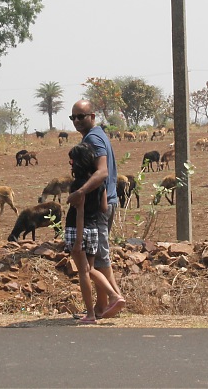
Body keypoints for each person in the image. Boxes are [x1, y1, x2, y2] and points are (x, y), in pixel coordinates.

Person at [67, 99, 125, 318]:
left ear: (93, 116)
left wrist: (80, 192)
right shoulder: (97, 135)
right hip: (105, 202)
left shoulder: (93, 138)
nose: (77, 121)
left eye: (81, 116)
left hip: (98, 210)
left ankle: (112, 300)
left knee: (98, 259)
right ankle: (104, 307)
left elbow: (101, 171)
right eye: (73, 117)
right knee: (99, 258)